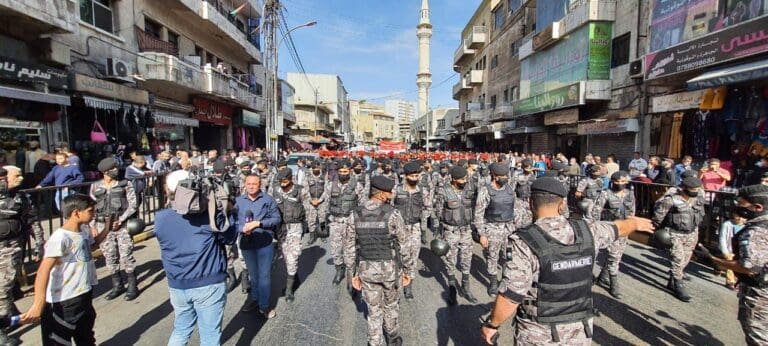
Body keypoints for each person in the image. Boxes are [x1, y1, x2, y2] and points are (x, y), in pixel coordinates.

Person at [480, 177, 654, 345]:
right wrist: (634, 223)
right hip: (579, 329)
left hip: (539, 332)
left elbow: (511, 295)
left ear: (531, 203)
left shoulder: (523, 241)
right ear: (562, 204)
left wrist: (492, 325)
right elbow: (619, 228)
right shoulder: (588, 230)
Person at [155, 169, 237, 345]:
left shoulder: (160, 219)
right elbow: (229, 237)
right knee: (210, 335)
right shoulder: (209, 216)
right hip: (208, 283)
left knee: (181, 329)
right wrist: (228, 211)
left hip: (177, 284)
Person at [20, 194, 107, 345]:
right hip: (65, 299)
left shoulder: (83, 230)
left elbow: (90, 247)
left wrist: (108, 227)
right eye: (90, 211)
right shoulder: (60, 238)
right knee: (59, 339)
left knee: (85, 335)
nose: (93, 214)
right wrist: (38, 304)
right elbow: (43, 271)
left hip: (84, 294)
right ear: (75, 213)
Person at [696, 184, 768, 345]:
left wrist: (715, 261)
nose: (737, 207)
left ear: (758, 207)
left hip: (760, 293)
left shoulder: (756, 231)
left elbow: (749, 267)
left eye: (741, 204)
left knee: (758, 336)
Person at [349, 176, 413, 346]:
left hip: (366, 270)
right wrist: (408, 271)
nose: (393, 193)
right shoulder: (393, 214)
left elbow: (349, 248)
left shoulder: (355, 214)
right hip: (389, 271)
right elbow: (405, 245)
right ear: (382, 195)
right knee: (391, 305)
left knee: (373, 309)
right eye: (390, 192)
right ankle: (392, 337)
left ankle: (374, 341)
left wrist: (352, 274)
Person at [0, 166, 44, 344]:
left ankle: (5, 322)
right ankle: (8, 319)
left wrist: (40, 244)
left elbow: (33, 221)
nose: (20, 178)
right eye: (15, 176)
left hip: (10, 249)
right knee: (3, 288)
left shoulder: (21, 197)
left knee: (4, 287)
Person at [475, 163, 531, 298]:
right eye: (502, 176)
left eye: (506, 175)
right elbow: (478, 214)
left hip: (510, 228)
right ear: (494, 176)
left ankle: (506, 281)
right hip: (493, 229)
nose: (505, 178)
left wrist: (520, 226)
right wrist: (482, 234)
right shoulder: (485, 191)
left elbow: (515, 207)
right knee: (493, 257)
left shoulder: (510, 188)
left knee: (509, 257)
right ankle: (493, 283)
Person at [89, 158, 139, 301]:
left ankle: (132, 285)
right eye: (114, 168)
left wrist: (121, 219)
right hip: (102, 227)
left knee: (126, 255)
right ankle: (117, 285)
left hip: (121, 226)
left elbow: (133, 205)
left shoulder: (125, 184)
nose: (117, 170)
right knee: (110, 256)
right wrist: (92, 226)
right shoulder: (95, 187)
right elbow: (91, 208)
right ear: (105, 171)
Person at [652, 176, 705, 302]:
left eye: (697, 189)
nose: (695, 191)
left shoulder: (698, 199)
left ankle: (673, 280)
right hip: (675, 233)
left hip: (692, 233)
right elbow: (658, 217)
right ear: (684, 188)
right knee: (678, 258)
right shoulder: (671, 200)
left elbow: (700, 215)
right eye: (692, 189)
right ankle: (678, 284)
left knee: (685, 259)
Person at [236, 174, 281, 318]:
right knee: (253, 275)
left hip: (264, 243)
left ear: (260, 184)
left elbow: (276, 219)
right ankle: (255, 299)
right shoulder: (239, 201)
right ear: (245, 184)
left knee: (264, 275)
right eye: (248, 184)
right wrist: (242, 228)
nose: (251, 186)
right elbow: (232, 222)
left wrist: (259, 224)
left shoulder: (268, 200)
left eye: (254, 184)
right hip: (246, 243)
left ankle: (264, 305)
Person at [434, 165, 478, 304]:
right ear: (453, 179)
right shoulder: (444, 192)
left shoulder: (469, 191)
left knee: (466, 260)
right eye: (462, 179)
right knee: (450, 261)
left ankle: (465, 287)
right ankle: (452, 290)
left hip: (466, 230)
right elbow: (438, 211)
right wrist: (438, 230)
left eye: (466, 178)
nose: (465, 181)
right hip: (450, 231)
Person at [592, 171, 636, 299]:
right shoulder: (605, 194)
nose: (620, 184)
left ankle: (607, 279)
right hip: (608, 228)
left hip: (622, 229)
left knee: (615, 255)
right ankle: (609, 280)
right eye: (618, 182)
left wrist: (630, 226)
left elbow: (632, 212)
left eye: (623, 182)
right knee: (606, 254)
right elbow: (596, 211)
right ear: (613, 182)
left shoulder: (630, 195)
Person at [391, 161, 431, 300]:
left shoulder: (423, 191)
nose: (415, 178)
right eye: (413, 176)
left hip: (415, 228)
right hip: (398, 229)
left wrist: (422, 219)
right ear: (406, 176)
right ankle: (396, 282)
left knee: (413, 256)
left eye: (417, 176)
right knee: (398, 257)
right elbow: (388, 207)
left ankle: (408, 285)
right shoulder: (396, 189)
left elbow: (428, 207)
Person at [324, 160, 366, 287]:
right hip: (336, 222)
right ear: (337, 172)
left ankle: (352, 275)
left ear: (350, 171)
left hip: (351, 223)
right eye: (340, 171)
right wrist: (325, 220)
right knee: (336, 250)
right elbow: (327, 203)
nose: (343, 174)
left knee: (351, 251)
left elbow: (363, 205)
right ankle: (339, 271)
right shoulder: (330, 185)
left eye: (345, 171)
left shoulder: (357, 186)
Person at [272, 168, 310, 302]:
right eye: (280, 181)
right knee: (286, 256)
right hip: (280, 228)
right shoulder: (275, 190)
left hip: (295, 227)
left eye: (285, 180)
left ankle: (289, 290)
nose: (282, 183)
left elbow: (308, 207)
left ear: (291, 178)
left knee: (293, 256)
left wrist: (308, 225)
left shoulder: (300, 190)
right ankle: (294, 278)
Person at [717, 208, 748, 290]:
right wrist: (725, 250)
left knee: (736, 265)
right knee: (731, 264)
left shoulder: (747, 227)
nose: (740, 219)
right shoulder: (727, 224)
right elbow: (722, 238)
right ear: (734, 215)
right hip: (729, 249)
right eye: (738, 216)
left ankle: (719, 266)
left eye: (743, 218)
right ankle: (730, 281)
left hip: (740, 250)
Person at [304, 161, 328, 245]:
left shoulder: (324, 175)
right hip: (311, 201)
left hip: (321, 201)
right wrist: (311, 200)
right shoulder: (307, 175)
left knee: (322, 219)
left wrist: (320, 200)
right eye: (314, 168)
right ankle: (312, 237)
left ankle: (322, 235)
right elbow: (305, 190)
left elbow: (326, 190)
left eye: (318, 168)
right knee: (311, 220)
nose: (316, 170)